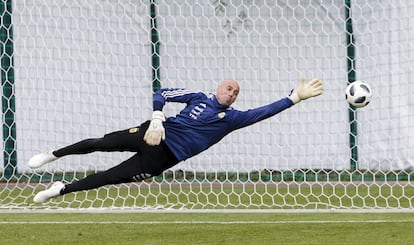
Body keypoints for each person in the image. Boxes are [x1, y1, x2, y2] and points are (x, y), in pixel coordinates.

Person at [29, 78, 323, 203]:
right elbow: (162, 93)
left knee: (108, 177)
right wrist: (157, 117)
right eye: (228, 88)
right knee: (99, 143)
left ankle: (60, 190)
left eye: (235, 92)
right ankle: (53, 154)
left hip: (164, 158)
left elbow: (264, 112)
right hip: (152, 132)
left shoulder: (232, 119)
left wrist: (295, 97)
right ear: (219, 86)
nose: (231, 93)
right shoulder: (198, 97)